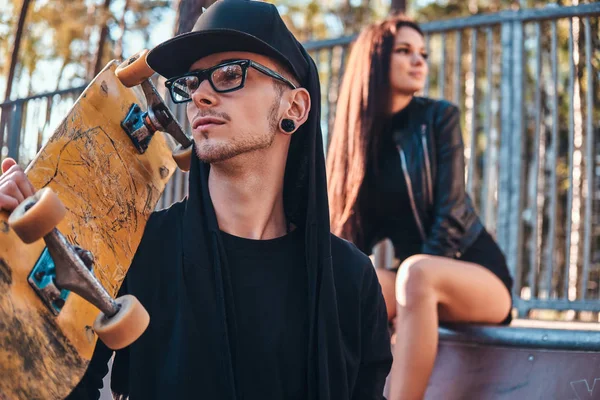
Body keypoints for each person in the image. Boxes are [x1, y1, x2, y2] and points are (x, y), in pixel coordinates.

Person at [0, 1, 392, 398]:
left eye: (227, 74)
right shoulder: (132, 248)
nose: (200, 95)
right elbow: (56, 386)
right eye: (190, 83)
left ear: (294, 106)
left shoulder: (351, 280)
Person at [326, 14, 513, 400]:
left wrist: (408, 299)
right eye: (405, 51)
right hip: (416, 283)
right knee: (355, 283)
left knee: (415, 274)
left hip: (475, 274)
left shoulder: (438, 119)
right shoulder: (358, 144)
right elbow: (348, 243)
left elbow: (451, 215)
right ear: (376, 60)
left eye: (423, 54)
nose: (419, 62)